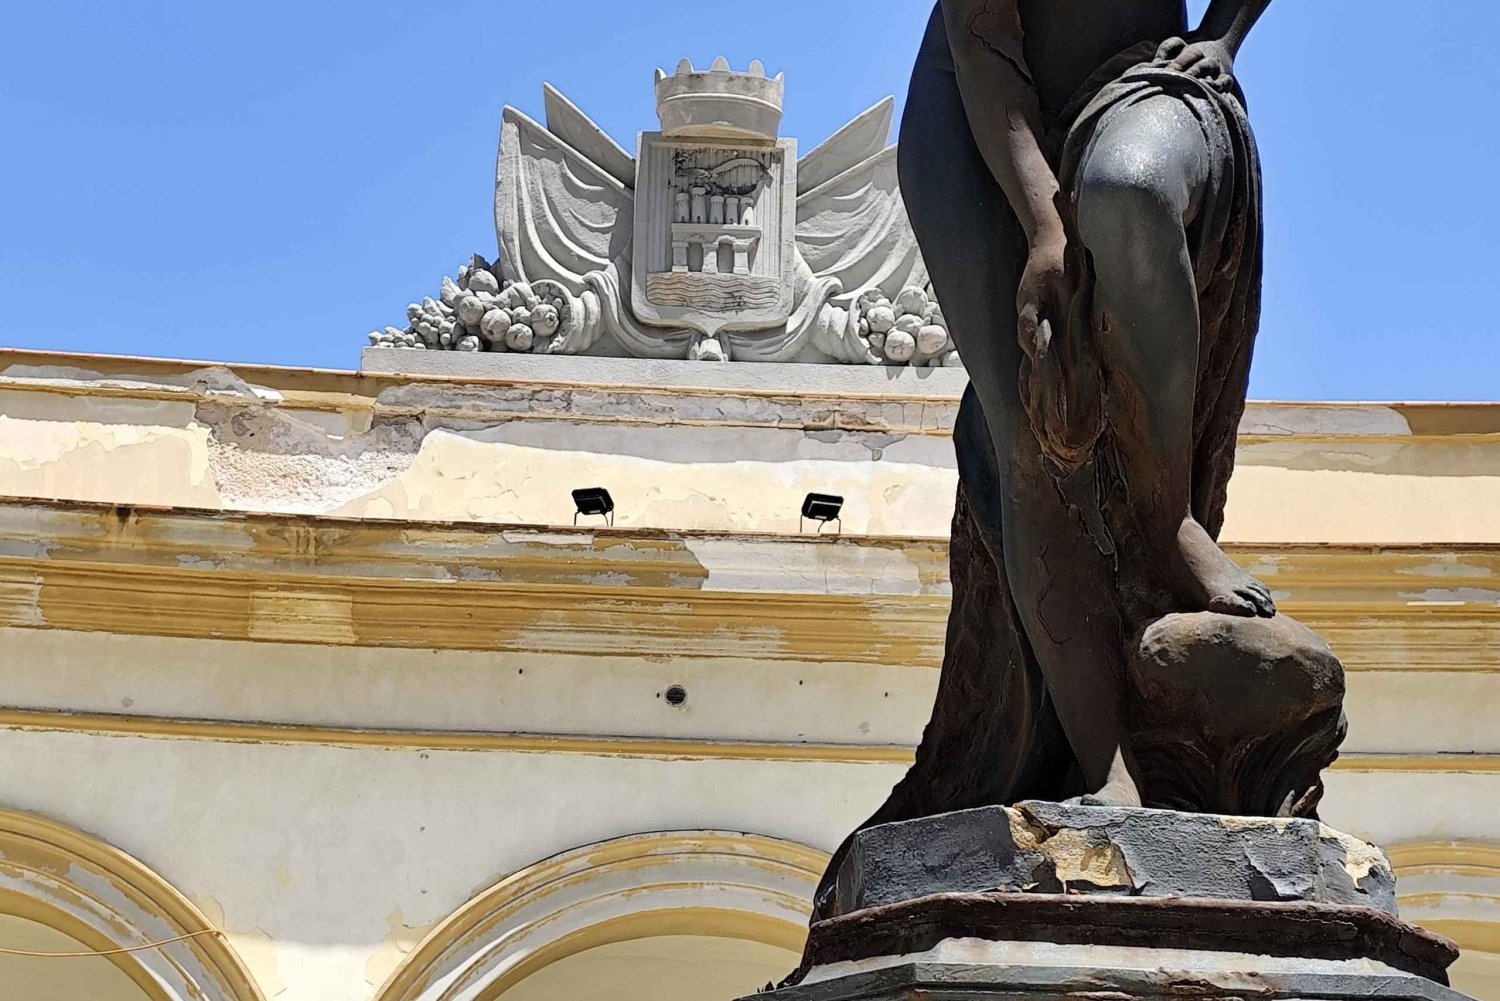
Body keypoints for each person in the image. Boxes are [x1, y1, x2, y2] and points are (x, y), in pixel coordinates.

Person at [790, 2, 1278, 969]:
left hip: (1139, 73)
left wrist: (1224, 35)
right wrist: (1044, 234)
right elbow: (986, 49)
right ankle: (1108, 767)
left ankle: (1167, 512)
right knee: (1031, 435)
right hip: (979, 104)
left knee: (1131, 192)